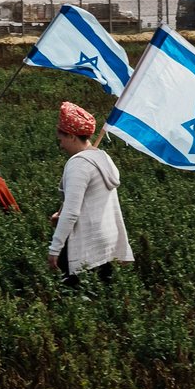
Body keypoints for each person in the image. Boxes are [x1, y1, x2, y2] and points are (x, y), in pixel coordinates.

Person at [48, 102, 133, 286]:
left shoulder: (79, 164)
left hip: (85, 246)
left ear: (71, 136)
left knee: (73, 299)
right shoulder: (103, 157)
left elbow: (71, 212)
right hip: (105, 244)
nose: (61, 145)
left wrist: (55, 248)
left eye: (61, 139)